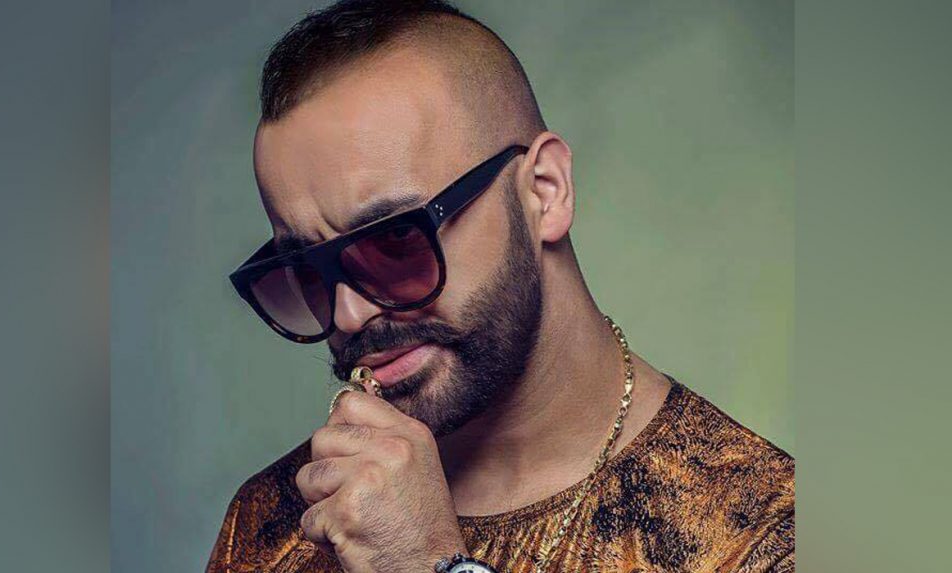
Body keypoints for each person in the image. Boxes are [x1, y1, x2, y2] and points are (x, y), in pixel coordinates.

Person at [207, 1, 794, 572]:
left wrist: (426, 566)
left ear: (544, 191)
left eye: (395, 242)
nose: (349, 315)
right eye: (306, 272)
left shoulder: (762, 534)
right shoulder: (273, 525)